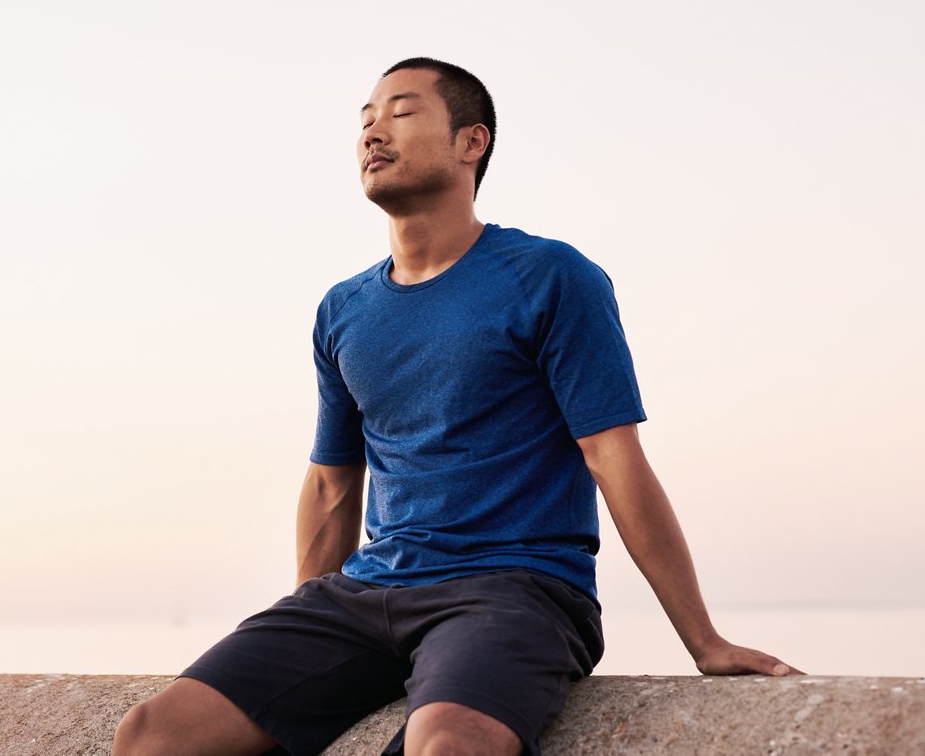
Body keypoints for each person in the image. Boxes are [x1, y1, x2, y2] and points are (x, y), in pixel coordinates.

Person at [112, 57, 800, 756]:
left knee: (448, 743)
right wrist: (313, 635)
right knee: (153, 734)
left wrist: (703, 639)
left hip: (515, 589)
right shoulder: (344, 309)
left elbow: (614, 457)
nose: (374, 132)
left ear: (472, 142)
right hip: (370, 591)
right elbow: (331, 482)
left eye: (402, 112)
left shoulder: (552, 277)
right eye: (366, 120)